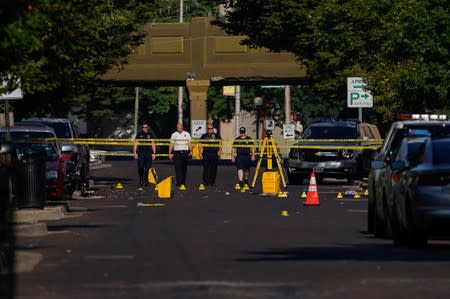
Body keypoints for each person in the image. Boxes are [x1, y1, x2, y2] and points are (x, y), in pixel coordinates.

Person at [168, 123, 192, 190]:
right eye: (178, 128)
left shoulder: (186, 134)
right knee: (178, 168)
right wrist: (169, 153)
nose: (179, 129)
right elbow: (171, 144)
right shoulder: (174, 134)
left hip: (185, 152)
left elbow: (189, 143)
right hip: (177, 152)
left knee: (184, 168)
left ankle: (183, 182)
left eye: (180, 127)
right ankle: (179, 182)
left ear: (182, 127)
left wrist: (191, 150)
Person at [199, 123, 222, 188]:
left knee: (213, 168)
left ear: (213, 129)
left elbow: (220, 143)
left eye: (211, 128)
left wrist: (219, 151)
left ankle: (212, 182)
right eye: (209, 128)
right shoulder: (204, 136)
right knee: (205, 168)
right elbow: (200, 145)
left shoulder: (217, 136)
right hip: (206, 154)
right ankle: (205, 182)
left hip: (214, 154)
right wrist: (200, 153)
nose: (210, 130)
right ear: (207, 129)